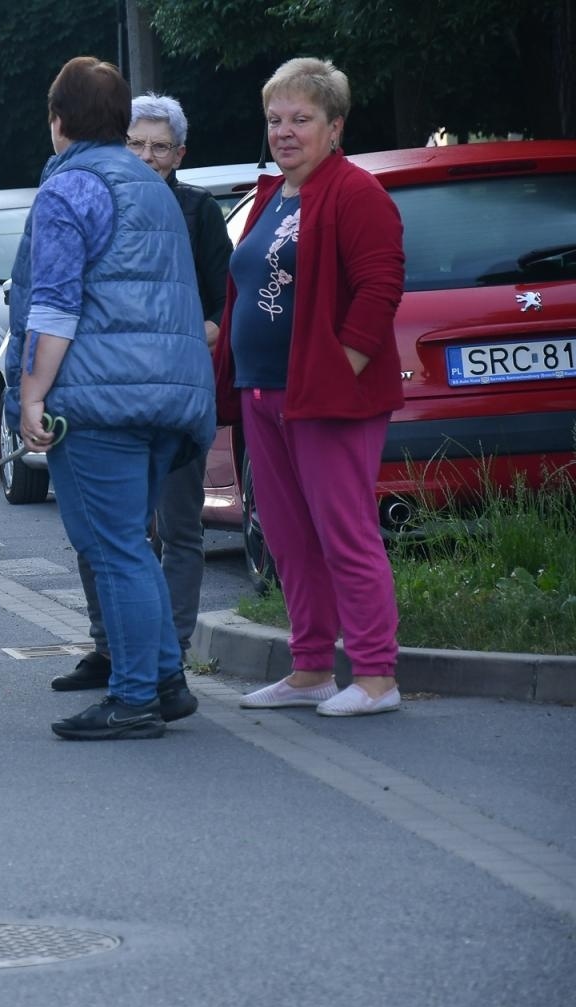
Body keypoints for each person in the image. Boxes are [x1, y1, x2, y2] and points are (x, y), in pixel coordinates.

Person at [17, 56, 215, 741]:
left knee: (113, 548)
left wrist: (32, 394)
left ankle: (133, 698)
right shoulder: (152, 186)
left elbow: (56, 303)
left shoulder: (69, 187)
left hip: (100, 398)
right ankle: (165, 678)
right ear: (121, 122)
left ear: (58, 120)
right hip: (170, 395)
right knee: (131, 542)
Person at [214, 57, 405, 717]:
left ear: (335, 126)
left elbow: (380, 288)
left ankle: (377, 676)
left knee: (343, 532)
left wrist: (340, 368)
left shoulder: (354, 192)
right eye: (276, 119)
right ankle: (311, 668)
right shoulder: (274, 196)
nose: (286, 131)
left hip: (326, 397)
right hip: (262, 393)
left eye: (302, 119)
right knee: (289, 537)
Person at [51, 92, 231, 694]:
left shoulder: (197, 213)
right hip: (110, 387)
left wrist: (178, 340)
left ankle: (169, 654)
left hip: (171, 386)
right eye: (137, 143)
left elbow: (218, 304)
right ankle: (110, 646)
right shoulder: (95, 197)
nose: (148, 156)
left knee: (176, 526)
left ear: (179, 155)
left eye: (160, 147)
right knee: (105, 534)